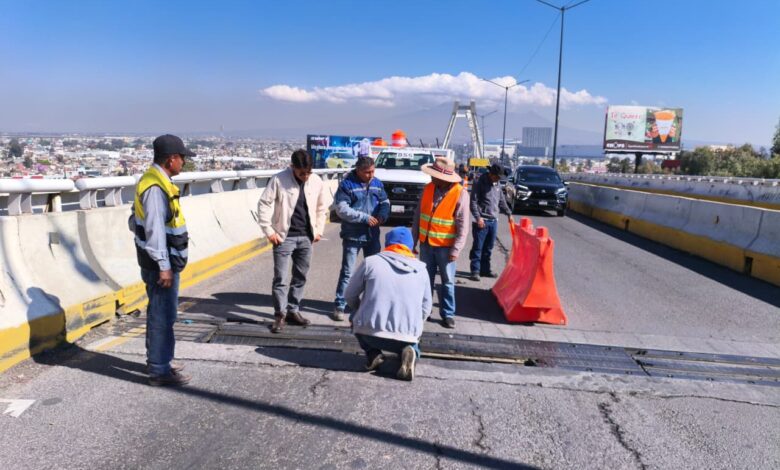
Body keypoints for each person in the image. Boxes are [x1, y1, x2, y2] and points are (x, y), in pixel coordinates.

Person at [131, 134, 194, 386]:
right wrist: (164, 265)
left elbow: (135, 221)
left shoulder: (151, 180)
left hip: (156, 260)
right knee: (162, 316)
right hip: (160, 264)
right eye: (182, 158)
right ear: (171, 159)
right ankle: (159, 370)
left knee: (159, 313)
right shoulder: (156, 187)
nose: (184, 163)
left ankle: (160, 360)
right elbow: (155, 229)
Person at [257, 149, 331, 333]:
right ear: (292, 167)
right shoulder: (279, 180)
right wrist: (269, 231)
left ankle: (293, 310)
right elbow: (264, 204)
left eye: (308, 172)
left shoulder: (316, 181)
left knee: (300, 276)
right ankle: (279, 315)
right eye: (301, 173)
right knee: (281, 278)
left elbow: (322, 208)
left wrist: (318, 231)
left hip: (306, 237)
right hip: (283, 237)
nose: (305, 177)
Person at [345, 227, 432, 381]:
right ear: (410, 246)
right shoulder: (422, 269)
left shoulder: (371, 262)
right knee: (413, 333)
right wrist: (414, 324)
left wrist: (359, 310)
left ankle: (373, 354)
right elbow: (426, 308)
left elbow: (349, 295)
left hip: (370, 333)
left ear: (388, 243)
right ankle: (410, 350)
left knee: (355, 315)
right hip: (406, 336)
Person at [412, 156, 470, 329]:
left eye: (434, 175)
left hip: (446, 247)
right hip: (426, 243)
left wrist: (456, 249)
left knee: (447, 281)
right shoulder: (428, 188)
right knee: (425, 279)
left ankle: (448, 314)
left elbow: (463, 225)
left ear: (444, 178)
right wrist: (412, 240)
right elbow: (418, 216)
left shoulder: (460, 193)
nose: (431, 177)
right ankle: (425, 310)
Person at [332, 156, 390, 321]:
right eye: (367, 172)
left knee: (373, 273)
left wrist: (383, 214)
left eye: (373, 171)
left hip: (373, 235)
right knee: (348, 272)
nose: (371, 175)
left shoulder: (377, 183)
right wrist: (364, 217)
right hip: (353, 235)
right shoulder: (346, 185)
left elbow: (385, 201)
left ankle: (369, 305)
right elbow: (342, 209)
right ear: (358, 170)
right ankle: (340, 305)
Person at [469, 163, 512, 282]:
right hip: (482, 221)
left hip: (493, 221)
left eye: (499, 178)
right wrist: (478, 218)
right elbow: (473, 202)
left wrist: (509, 213)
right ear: (491, 174)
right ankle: (475, 271)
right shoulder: (479, 183)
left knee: (489, 247)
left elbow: (501, 200)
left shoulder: (497, 183)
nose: (498, 179)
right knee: (478, 247)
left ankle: (485, 270)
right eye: (497, 177)